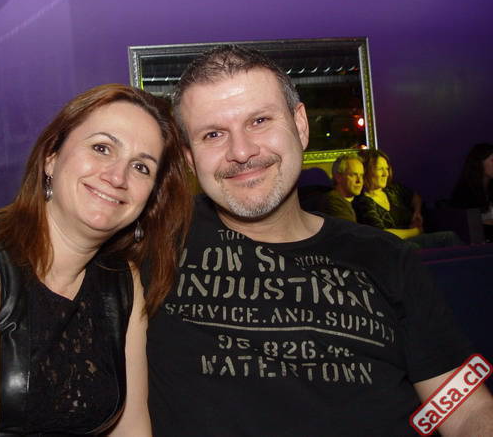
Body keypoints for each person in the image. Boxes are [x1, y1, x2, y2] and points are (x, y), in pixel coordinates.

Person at [146, 45, 493, 436]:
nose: (241, 152)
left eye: (259, 120)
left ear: (300, 125)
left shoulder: (387, 256)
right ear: (189, 158)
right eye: (213, 134)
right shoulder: (152, 244)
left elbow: (464, 408)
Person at [0, 84, 192, 436]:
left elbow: (130, 428)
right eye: (101, 148)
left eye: (141, 167)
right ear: (51, 157)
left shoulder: (123, 282)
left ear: (151, 197)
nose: (117, 177)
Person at [353, 149, 460, 249]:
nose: (386, 174)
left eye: (387, 168)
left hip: (412, 242)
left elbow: (415, 197)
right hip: (394, 246)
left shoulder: (393, 190)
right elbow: (382, 234)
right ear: (366, 170)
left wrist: (417, 212)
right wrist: (416, 231)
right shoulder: (364, 202)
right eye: (380, 169)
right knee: (447, 237)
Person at [450, 143, 493, 241]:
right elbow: (469, 225)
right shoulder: (465, 191)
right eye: (492, 160)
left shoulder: (490, 187)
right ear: (479, 163)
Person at [318, 154, 364, 221]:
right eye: (353, 175)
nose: (359, 181)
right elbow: (349, 227)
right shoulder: (333, 202)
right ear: (338, 177)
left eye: (361, 175)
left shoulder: (358, 201)